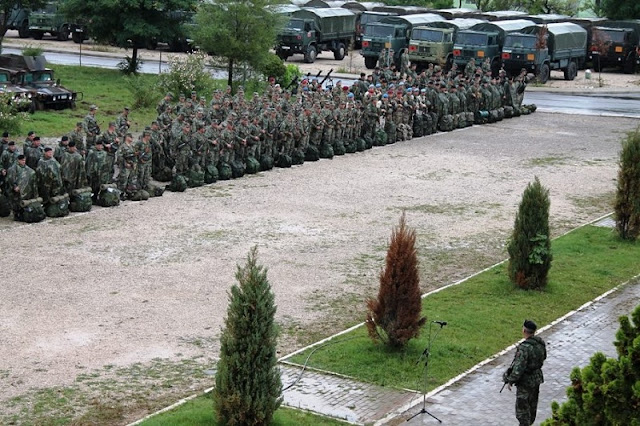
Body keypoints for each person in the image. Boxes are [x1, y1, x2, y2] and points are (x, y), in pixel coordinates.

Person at [503, 320, 547, 426]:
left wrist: (510, 380)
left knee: (522, 411)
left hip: (525, 382)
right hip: (536, 379)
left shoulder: (524, 348)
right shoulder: (540, 343)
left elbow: (518, 368)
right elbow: (544, 356)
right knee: (532, 407)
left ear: (524, 330)